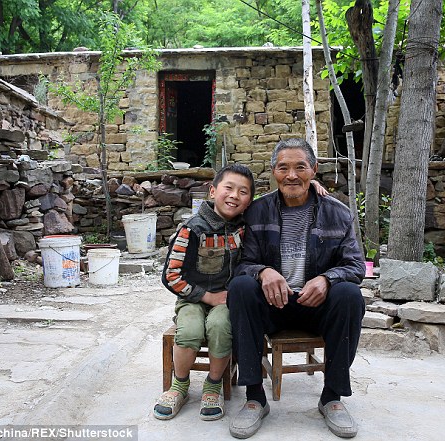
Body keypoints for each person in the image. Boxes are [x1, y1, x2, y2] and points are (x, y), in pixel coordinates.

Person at [227, 138, 366, 439]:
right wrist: (263, 272)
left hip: (316, 305)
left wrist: (328, 279)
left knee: (349, 294)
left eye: (300, 167)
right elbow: (243, 263)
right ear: (274, 172)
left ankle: (332, 397)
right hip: (273, 304)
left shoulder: (338, 213)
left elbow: (356, 266)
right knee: (240, 287)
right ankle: (255, 398)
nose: (292, 175)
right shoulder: (257, 212)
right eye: (283, 168)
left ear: (314, 170)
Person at [154, 164, 255, 421]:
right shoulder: (192, 229)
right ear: (212, 191)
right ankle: (180, 385)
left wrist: (312, 186)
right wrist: (206, 296)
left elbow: (279, 202)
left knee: (221, 327)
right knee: (189, 330)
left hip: (226, 301)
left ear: (249, 202)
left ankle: (213, 385)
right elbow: (171, 275)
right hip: (192, 298)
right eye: (228, 188)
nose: (234, 195)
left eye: (243, 192)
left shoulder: (245, 227)